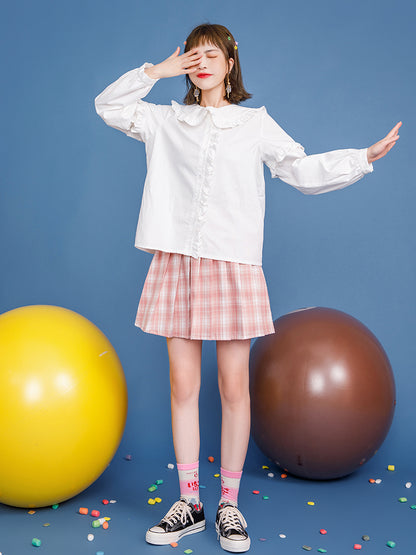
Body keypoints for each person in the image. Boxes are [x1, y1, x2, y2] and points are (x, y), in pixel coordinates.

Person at [94, 22, 401, 553]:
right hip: (177, 260)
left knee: (234, 387)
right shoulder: (166, 120)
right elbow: (108, 106)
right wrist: (156, 71)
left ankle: (228, 507)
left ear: (231, 64)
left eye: (212, 53)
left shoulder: (254, 124)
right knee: (182, 386)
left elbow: (299, 169)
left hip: (232, 263)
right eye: (193, 55)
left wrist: (361, 159)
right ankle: (189, 503)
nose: (202, 61)